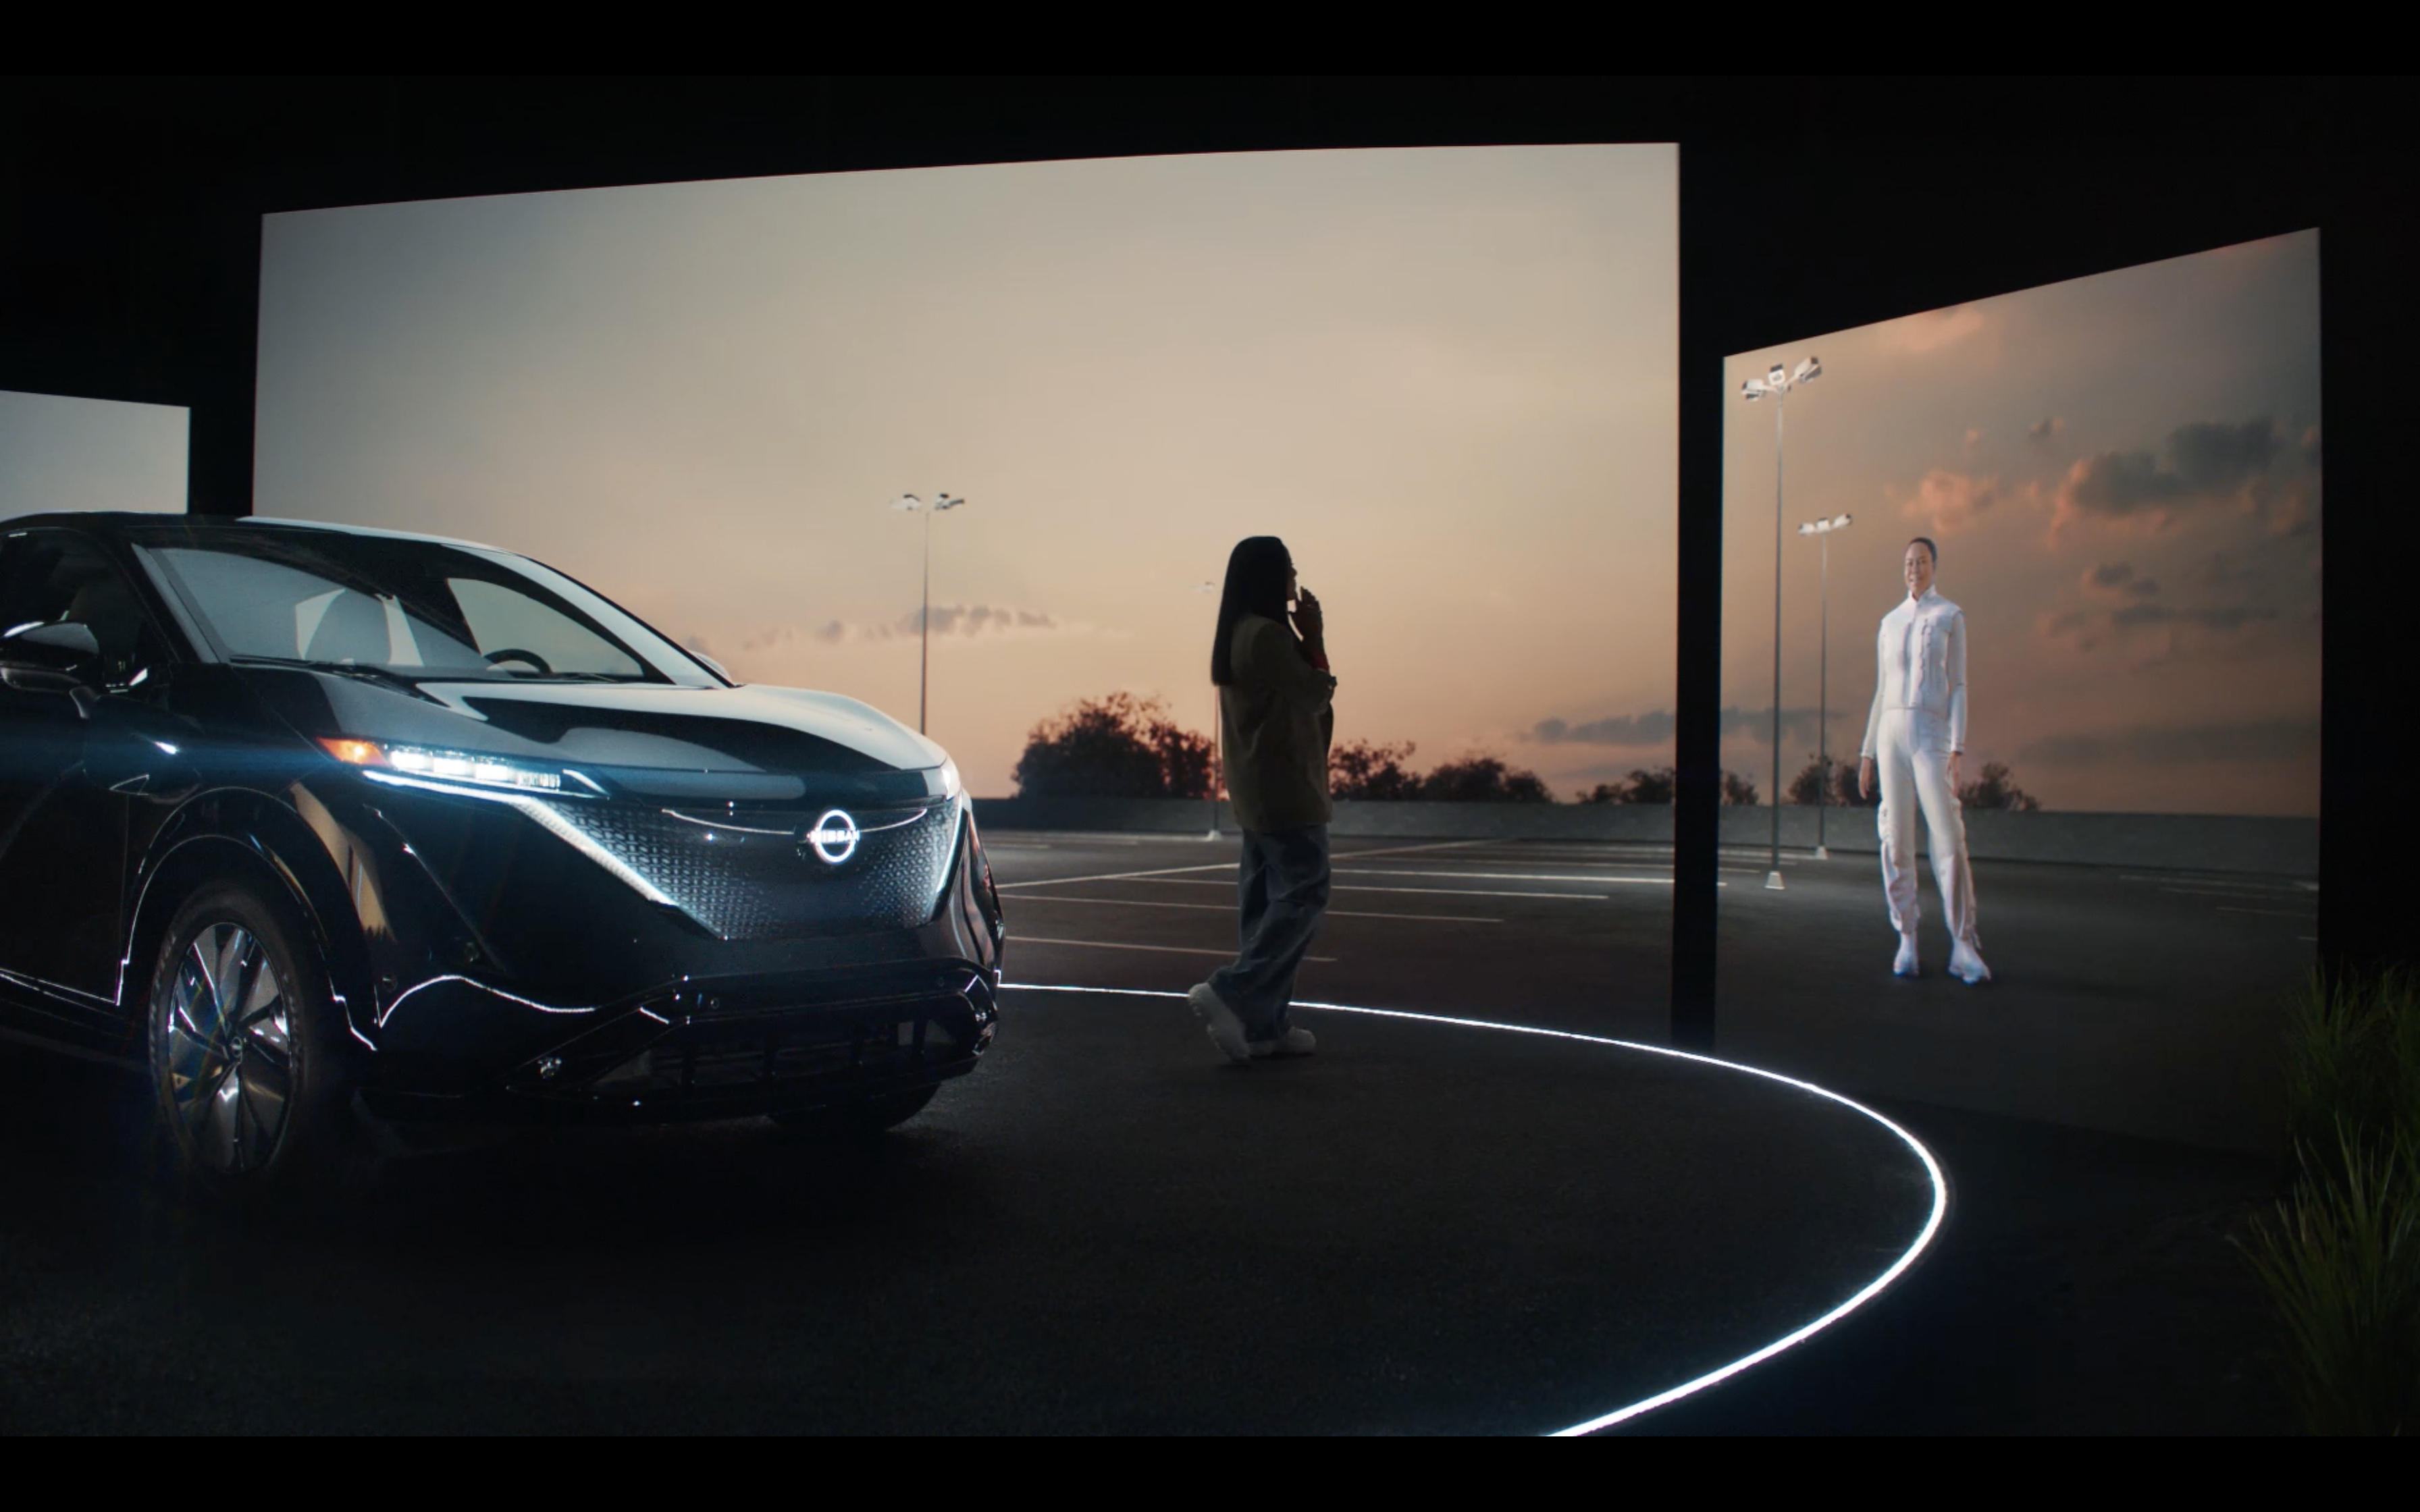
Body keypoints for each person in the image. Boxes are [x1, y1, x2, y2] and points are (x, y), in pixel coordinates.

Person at [1187, 536, 1336, 1064]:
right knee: (1303, 893)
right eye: (1290, 570)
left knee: (1262, 903)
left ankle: (1264, 1025)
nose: (1296, 578)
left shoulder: (1238, 634)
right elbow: (1317, 692)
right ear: (1272, 578)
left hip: (1255, 787)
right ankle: (1234, 991)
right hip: (1286, 785)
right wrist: (1314, 637)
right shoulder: (1269, 637)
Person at [1858, 536, 1991, 985]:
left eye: (1922, 561)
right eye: (1909, 562)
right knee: (1896, 839)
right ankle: (1908, 938)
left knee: (1949, 840)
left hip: (1932, 735)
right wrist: (1867, 752)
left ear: (1935, 565)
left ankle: (1963, 945)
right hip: (1891, 734)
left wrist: (1957, 748)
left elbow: (1959, 686)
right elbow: (1881, 689)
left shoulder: (1950, 615)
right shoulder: (1889, 622)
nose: (1915, 568)